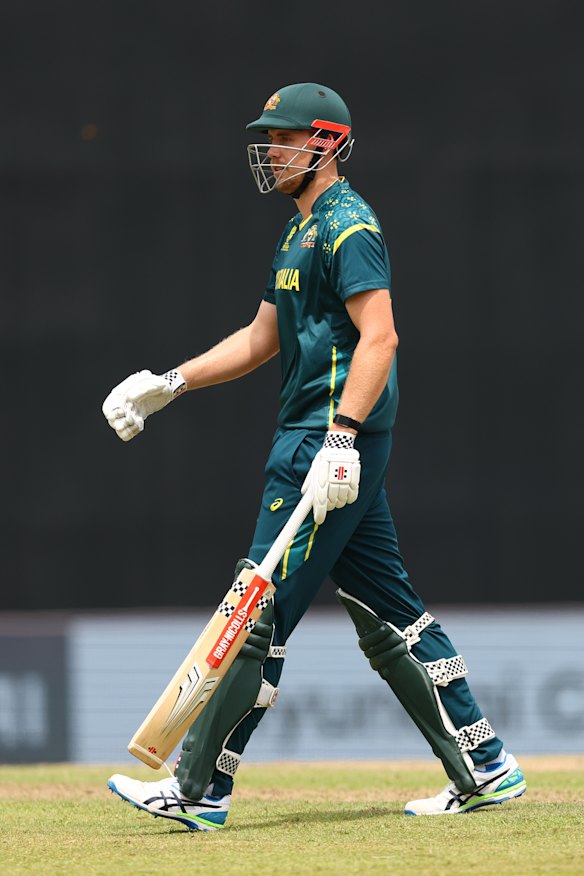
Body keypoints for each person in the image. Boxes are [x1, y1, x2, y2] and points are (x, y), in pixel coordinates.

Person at [103, 83, 526, 831]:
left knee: (254, 610)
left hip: (325, 440)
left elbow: (382, 338)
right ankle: (484, 764)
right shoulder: (298, 232)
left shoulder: (349, 225)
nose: (268, 151)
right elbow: (262, 338)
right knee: (390, 613)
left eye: (282, 138)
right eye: (266, 138)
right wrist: (171, 382)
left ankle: (201, 789)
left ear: (325, 143)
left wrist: (341, 437)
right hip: (320, 439)